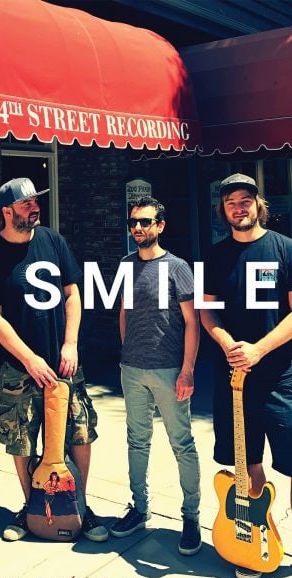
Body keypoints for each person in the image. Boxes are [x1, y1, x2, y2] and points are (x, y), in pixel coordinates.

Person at [201, 173, 292, 578]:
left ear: (259, 205)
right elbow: (207, 312)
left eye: (246, 200)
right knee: (247, 465)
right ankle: (255, 543)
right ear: (222, 210)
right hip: (234, 380)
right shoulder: (214, 256)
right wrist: (227, 343)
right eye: (231, 202)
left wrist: (258, 349)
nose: (239, 207)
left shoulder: (287, 249)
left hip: (280, 378)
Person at [0, 177, 108, 543]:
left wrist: (71, 343)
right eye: (27, 204)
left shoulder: (52, 240)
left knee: (80, 432)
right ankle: (32, 507)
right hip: (19, 369)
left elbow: (72, 293)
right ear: (7, 211)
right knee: (21, 439)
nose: (35, 208)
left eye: (36, 201)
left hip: (64, 364)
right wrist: (29, 359)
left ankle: (79, 506)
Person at [111, 197, 202, 555]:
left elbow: (193, 322)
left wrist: (187, 370)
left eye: (145, 222)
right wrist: (127, 354)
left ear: (160, 225)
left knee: (182, 444)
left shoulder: (177, 268)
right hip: (132, 370)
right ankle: (139, 507)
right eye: (133, 222)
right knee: (137, 441)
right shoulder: (125, 264)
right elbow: (124, 312)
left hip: (169, 371)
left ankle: (191, 517)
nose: (138, 228)